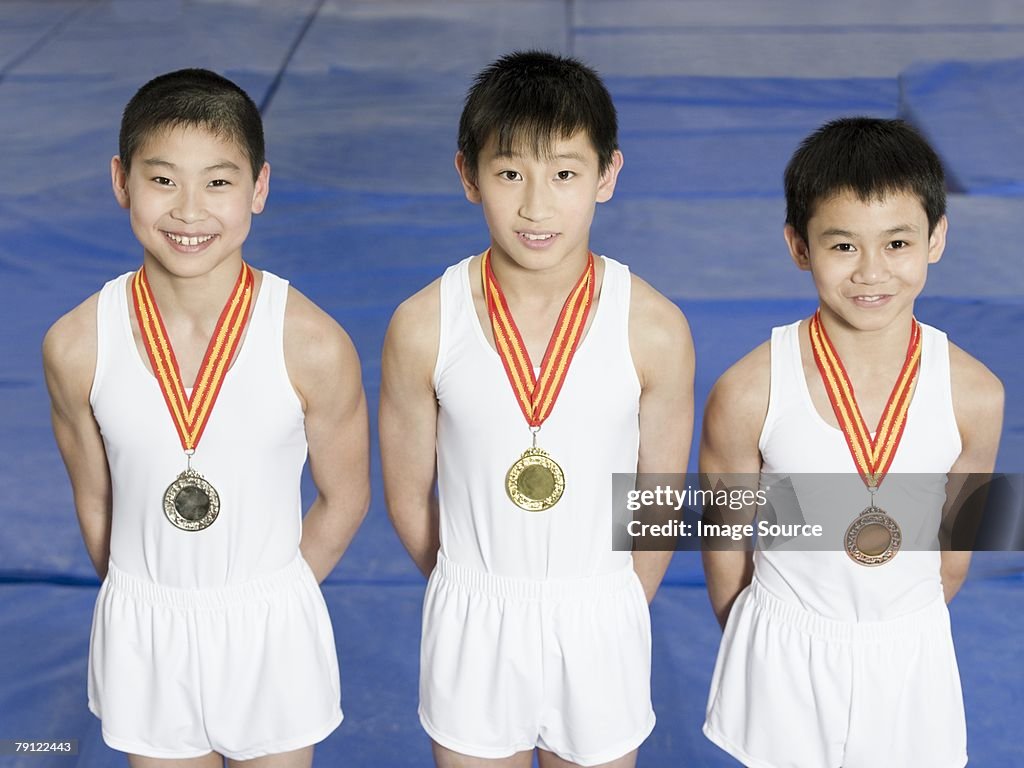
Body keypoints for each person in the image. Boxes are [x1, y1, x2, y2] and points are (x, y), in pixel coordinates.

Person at [42, 68, 370, 767]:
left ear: (259, 188)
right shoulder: (77, 345)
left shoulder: (311, 343)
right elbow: (95, 499)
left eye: (218, 182)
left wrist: (268, 601)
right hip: (148, 622)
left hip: (268, 625)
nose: (189, 211)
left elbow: (346, 497)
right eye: (163, 180)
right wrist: (148, 600)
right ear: (120, 181)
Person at [380, 51, 694, 768]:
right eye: (509, 173)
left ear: (607, 176)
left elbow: (659, 494)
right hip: (475, 607)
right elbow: (407, 493)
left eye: (564, 174)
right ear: (468, 176)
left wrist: (615, 604)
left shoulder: (653, 327)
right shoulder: (425, 324)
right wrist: (472, 591)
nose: (536, 206)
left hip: (602, 610)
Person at [700, 117, 1004, 768]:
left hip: (911, 649)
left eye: (897, 242)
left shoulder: (979, 395)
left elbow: (957, 550)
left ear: (937, 239)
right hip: (784, 643)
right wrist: (763, 640)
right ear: (798, 246)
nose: (872, 273)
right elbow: (724, 537)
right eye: (843, 247)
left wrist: (892, 630)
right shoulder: (748, 390)